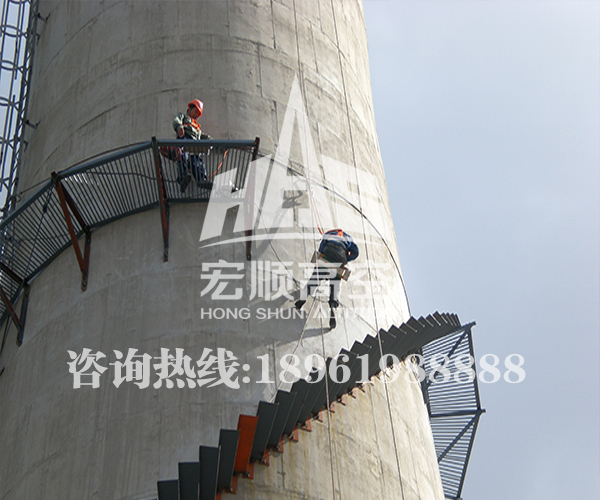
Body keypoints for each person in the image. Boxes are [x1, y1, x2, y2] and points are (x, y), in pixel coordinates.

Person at [295, 229, 359, 327]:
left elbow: (322, 246)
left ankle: (304, 296)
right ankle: (333, 305)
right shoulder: (348, 238)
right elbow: (356, 252)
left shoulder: (329, 233)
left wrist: (322, 255)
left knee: (316, 277)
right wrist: (346, 259)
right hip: (340, 256)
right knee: (335, 284)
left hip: (328, 252)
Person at [172, 99, 212, 192]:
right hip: (184, 140)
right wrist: (179, 127)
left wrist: (214, 143)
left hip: (194, 147)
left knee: (197, 161)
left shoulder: (197, 129)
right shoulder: (184, 117)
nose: (197, 114)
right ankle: (183, 178)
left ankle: (202, 179)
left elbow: (205, 137)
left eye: (199, 113)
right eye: (196, 111)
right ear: (189, 109)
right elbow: (176, 120)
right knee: (182, 156)